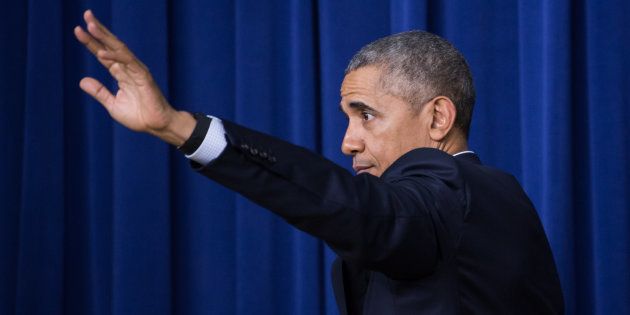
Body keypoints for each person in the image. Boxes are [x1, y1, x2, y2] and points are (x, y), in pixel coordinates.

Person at [74, 9, 564, 315]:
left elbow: (354, 209)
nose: (348, 142)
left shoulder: (449, 189)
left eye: (366, 115)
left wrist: (179, 128)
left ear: (438, 118)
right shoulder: (493, 201)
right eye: (347, 118)